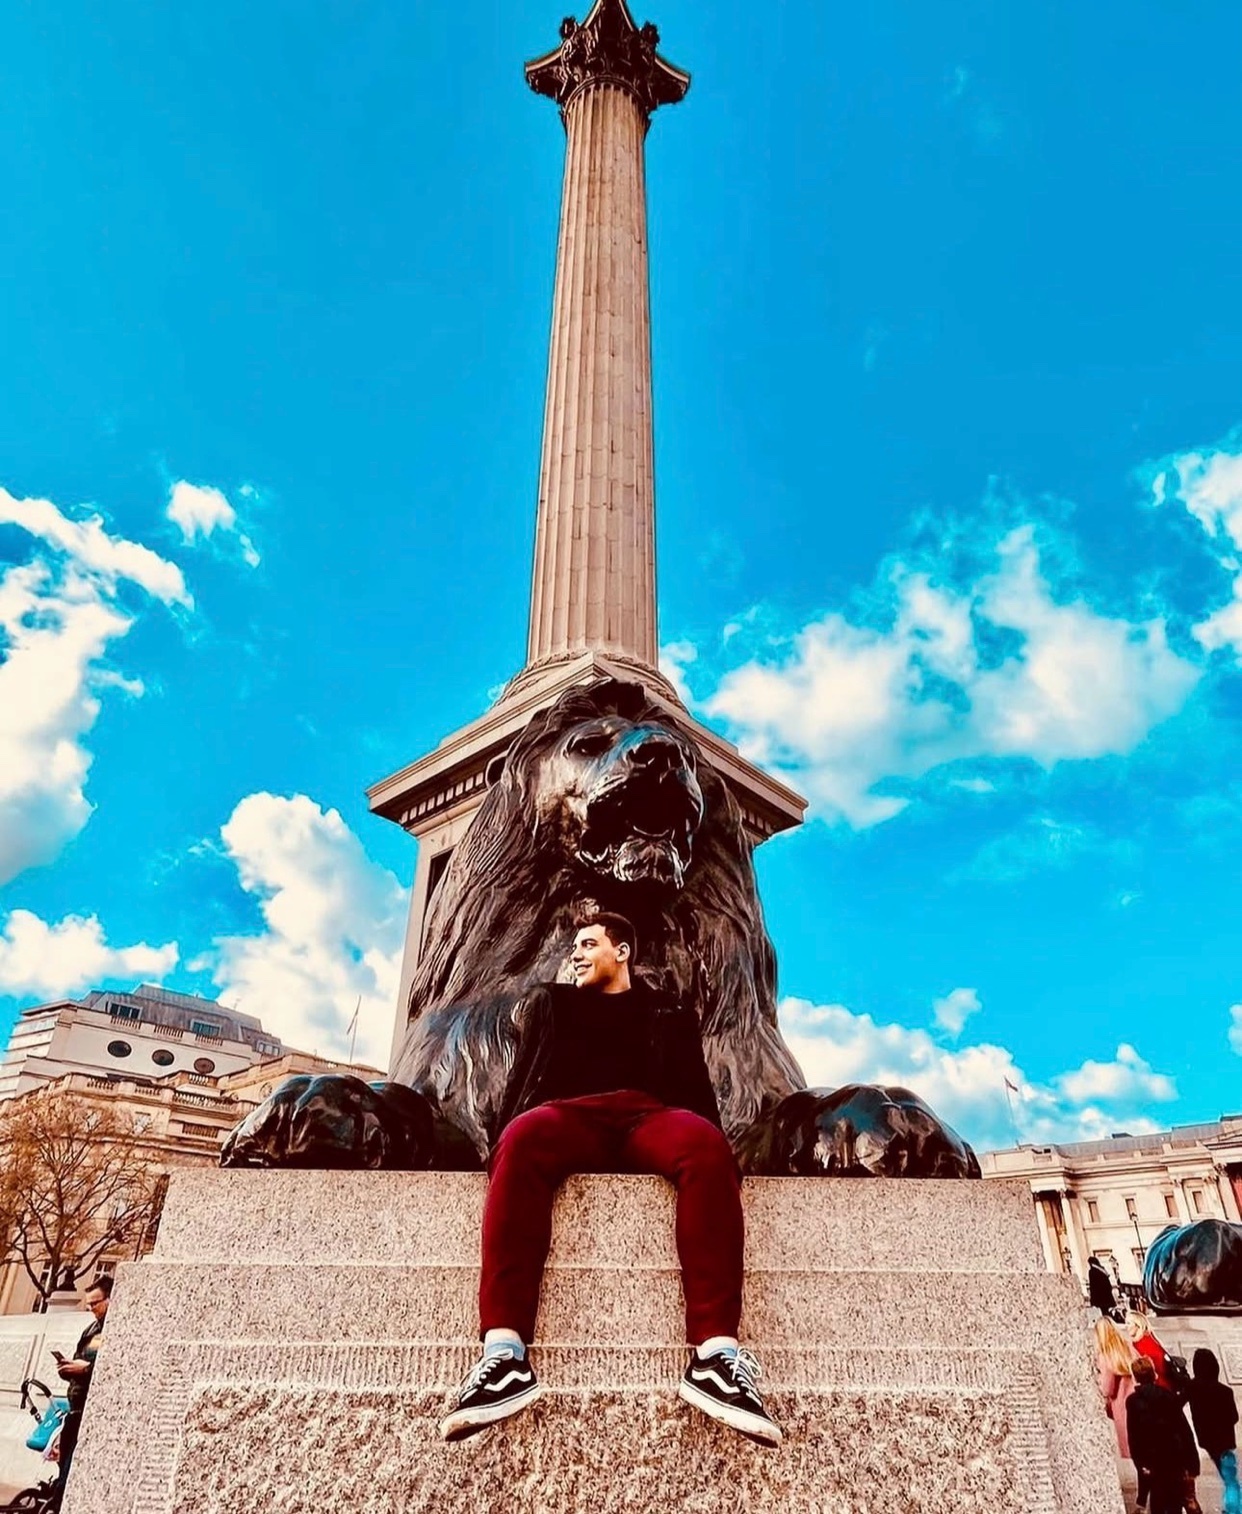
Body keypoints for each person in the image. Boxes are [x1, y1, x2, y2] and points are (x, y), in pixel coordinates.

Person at [438, 910, 781, 1447]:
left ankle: (717, 1358)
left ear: (622, 952)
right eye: (574, 945)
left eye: (588, 943)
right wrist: (503, 1145)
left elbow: (695, 1092)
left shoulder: (667, 1010)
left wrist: (720, 1156)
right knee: (524, 1137)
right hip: (569, 1115)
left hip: (649, 1117)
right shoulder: (552, 1005)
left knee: (704, 1145)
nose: (576, 953)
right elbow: (523, 1083)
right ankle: (503, 1358)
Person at [54, 1274, 111, 1504]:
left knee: (70, 1477)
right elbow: (81, 1359)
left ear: (110, 1299)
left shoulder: (115, 1328)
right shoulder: (90, 1330)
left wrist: (85, 1371)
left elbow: (110, 1368)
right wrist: (67, 1368)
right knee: (63, 1471)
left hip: (92, 1412)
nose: (90, 1308)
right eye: (88, 1304)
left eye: (95, 1303)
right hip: (76, 1409)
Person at [1128, 1354, 1200, 1514]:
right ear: (1154, 1374)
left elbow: (1134, 1436)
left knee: (1157, 1503)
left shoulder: (1133, 1402)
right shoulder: (1168, 1397)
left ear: (1136, 1377)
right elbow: (1183, 1430)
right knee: (1174, 1504)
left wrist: (1140, 1464)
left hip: (1152, 1462)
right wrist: (1192, 1463)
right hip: (1173, 1458)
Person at [1188, 1348, 1240, 1514]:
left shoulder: (1193, 1387)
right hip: (1225, 1441)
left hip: (1207, 1439)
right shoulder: (1225, 1391)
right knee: (1230, 1479)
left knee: (1226, 1474)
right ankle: (1234, 1510)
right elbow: (1234, 1417)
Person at [1096, 1316, 1139, 1465]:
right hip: (1137, 1398)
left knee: (1132, 1447)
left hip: (1121, 1404)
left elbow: (1107, 1389)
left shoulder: (1105, 1355)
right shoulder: (1128, 1346)